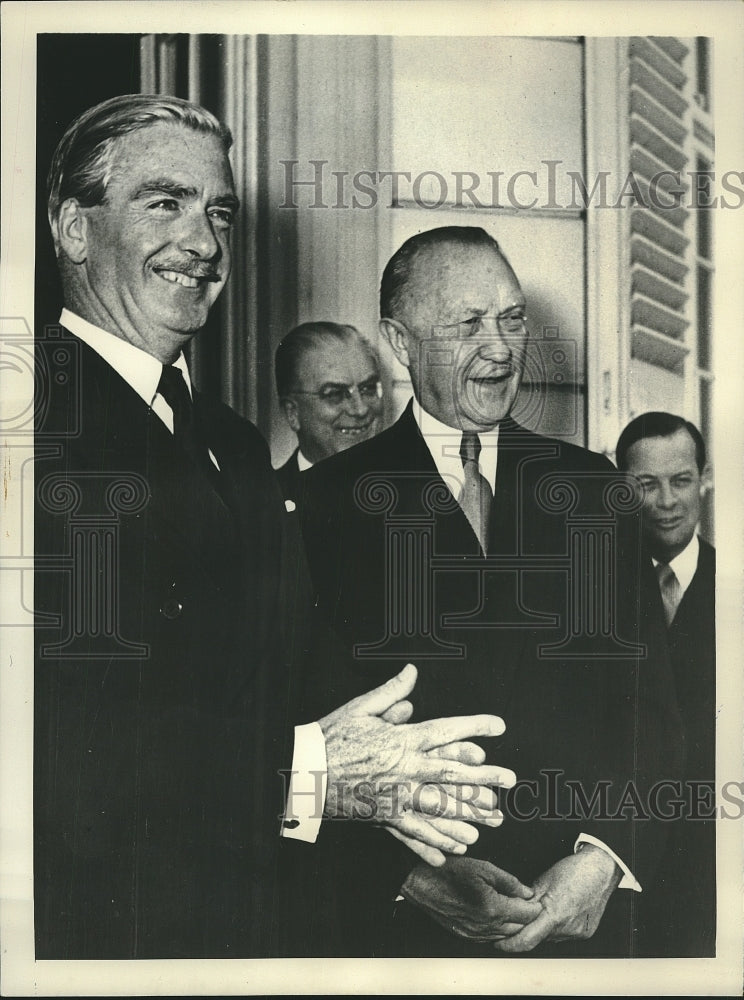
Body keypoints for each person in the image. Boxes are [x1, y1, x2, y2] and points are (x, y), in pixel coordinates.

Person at [33, 97, 515, 960]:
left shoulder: (232, 442)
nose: (206, 243)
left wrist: (402, 847)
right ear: (73, 227)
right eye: (164, 202)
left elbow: (294, 691)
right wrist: (316, 773)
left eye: (218, 212)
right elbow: (59, 751)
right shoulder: (25, 426)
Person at [297, 226, 684, 957]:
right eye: (468, 323)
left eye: (512, 319)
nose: (501, 348)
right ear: (400, 342)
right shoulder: (322, 509)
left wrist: (605, 858)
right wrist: (408, 875)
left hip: (580, 930)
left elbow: (653, 712)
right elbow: (296, 743)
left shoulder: (597, 492)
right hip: (397, 937)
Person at [616, 411, 716, 956]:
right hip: (619, 858)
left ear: (705, 477)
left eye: (680, 480)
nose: (666, 501)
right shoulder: (595, 592)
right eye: (644, 484)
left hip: (715, 859)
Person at [274, 321, 383, 504]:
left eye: (368, 388)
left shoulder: (418, 494)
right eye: (335, 394)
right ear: (292, 413)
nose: (360, 409)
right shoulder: (260, 506)